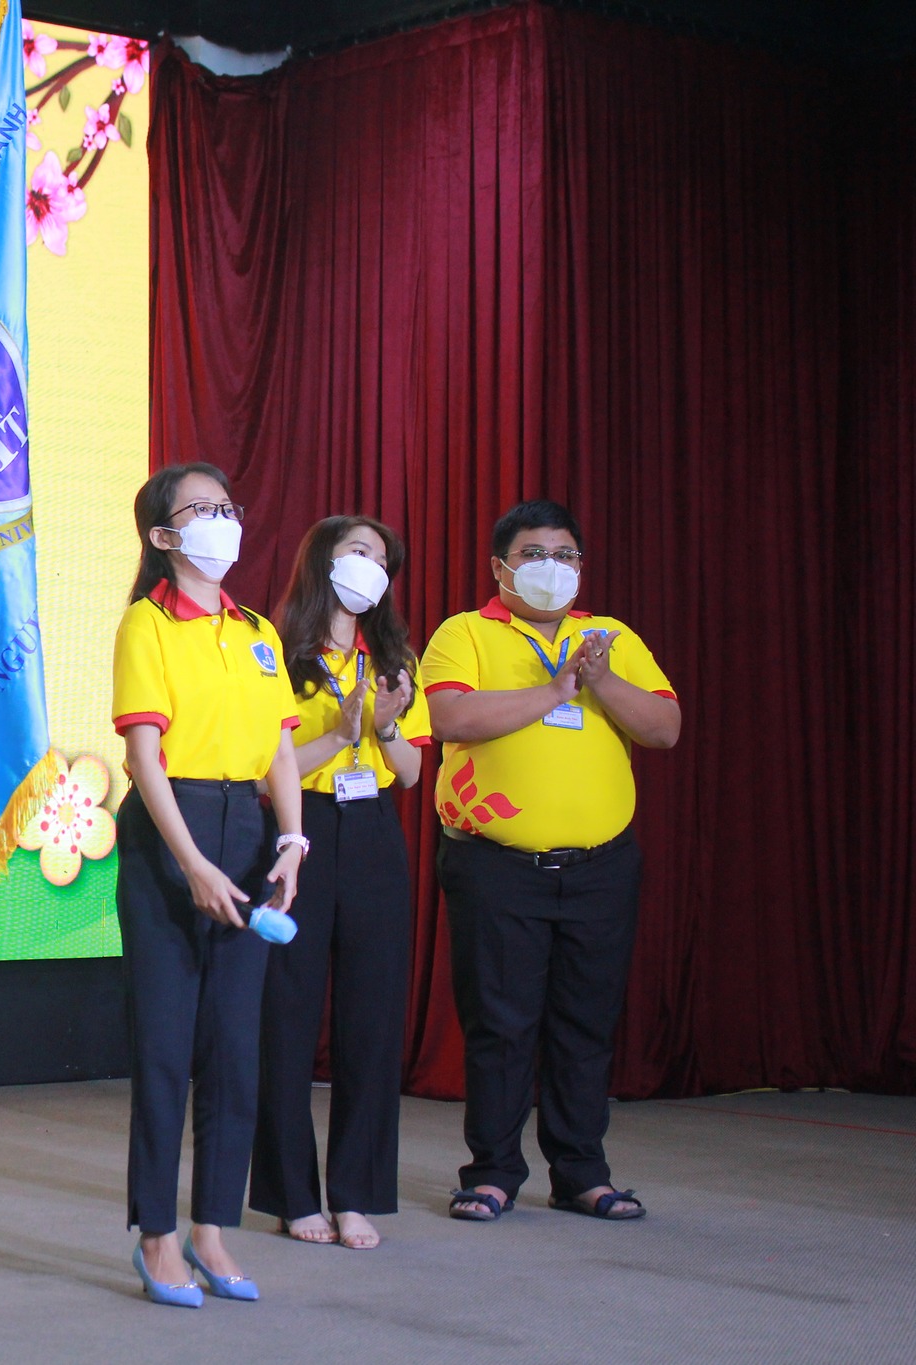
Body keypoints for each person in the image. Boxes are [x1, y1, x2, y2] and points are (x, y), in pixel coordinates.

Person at [422, 499, 679, 1224]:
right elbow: (447, 717)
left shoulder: (610, 637)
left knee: (585, 1023)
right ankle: (493, 1172)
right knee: (500, 1025)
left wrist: (600, 680)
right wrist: (557, 689)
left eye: (565, 555)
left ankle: (581, 1173)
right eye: (533, 554)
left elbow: (664, 727)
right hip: (496, 865)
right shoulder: (465, 632)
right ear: (500, 567)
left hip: (601, 868)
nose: (551, 568)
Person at [109, 462, 308, 1308]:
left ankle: (213, 1226)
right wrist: (190, 861)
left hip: (247, 827)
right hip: (172, 829)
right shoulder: (147, 624)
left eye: (228, 505)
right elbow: (143, 756)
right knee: (165, 1046)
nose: (224, 520)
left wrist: (292, 839)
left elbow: (280, 747)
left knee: (234, 1046)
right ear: (163, 535)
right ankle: (157, 1234)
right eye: (203, 509)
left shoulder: (257, 629)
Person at [250, 516, 430, 1252]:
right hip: (300, 829)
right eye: (358, 552)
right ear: (322, 559)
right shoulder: (274, 651)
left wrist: (383, 728)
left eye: (382, 559)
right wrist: (340, 733)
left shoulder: (393, 657)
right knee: (286, 1015)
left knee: (372, 1020)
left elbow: (411, 772)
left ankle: (358, 1193)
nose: (371, 567)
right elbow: (266, 771)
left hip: (374, 830)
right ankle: (292, 1195)